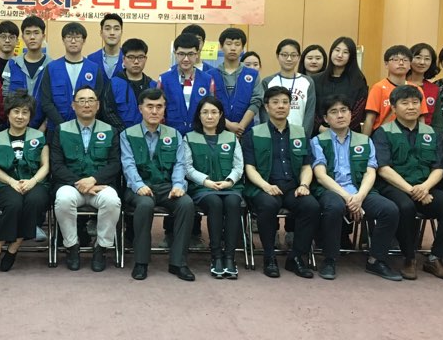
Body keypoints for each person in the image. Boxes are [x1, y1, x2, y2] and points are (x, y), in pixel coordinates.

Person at [372, 85, 443, 281]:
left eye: (415, 103)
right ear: (394, 108)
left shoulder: (431, 133)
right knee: (405, 207)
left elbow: (439, 167)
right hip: (394, 187)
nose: (411, 107)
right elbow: (383, 169)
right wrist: (412, 190)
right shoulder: (383, 132)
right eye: (405, 103)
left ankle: (436, 258)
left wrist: (424, 187)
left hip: (426, 187)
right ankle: (409, 257)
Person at [310, 94, 402, 281]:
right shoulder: (318, 141)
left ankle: (376, 260)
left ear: (351, 114)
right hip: (331, 190)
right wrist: (348, 198)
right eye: (334, 112)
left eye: (344, 110)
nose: (340, 115)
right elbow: (320, 176)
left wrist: (359, 197)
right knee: (334, 207)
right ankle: (329, 259)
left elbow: (370, 172)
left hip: (361, 190)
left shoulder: (365, 140)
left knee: (389, 209)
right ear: (326, 119)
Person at [241, 85, 319, 279]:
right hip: (263, 187)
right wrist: (266, 186)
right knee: (268, 205)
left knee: (311, 206)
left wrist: (304, 185)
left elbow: (306, 165)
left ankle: (296, 257)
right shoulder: (254, 134)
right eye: (275, 102)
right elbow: (249, 168)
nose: (281, 106)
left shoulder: (300, 133)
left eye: (285, 102)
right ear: (267, 107)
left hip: (293, 187)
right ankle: (269, 257)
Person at [120, 88, 196, 282]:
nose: (154, 111)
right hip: (138, 188)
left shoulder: (175, 134)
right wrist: (138, 185)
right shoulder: (127, 134)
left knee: (186, 204)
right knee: (145, 205)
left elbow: (179, 164)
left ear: (164, 109)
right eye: (150, 106)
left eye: (159, 107)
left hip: (166, 187)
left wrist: (178, 185)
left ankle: (178, 262)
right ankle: (141, 262)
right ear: (140, 109)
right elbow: (128, 164)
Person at [49, 85, 122, 272]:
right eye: (81, 101)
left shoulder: (111, 130)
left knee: (112, 201)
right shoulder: (61, 130)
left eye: (91, 100)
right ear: (73, 106)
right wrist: (80, 183)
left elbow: (115, 164)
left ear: (98, 105)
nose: (86, 105)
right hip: (71, 185)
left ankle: (101, 247)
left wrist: (93, 180)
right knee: (63, 199)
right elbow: (56, 165)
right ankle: (72, 246)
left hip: (100, 185)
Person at [0, 90, 50, 274]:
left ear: (30, 116)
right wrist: (11, 181)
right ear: (8, 113)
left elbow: (45, 166)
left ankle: (12, 248)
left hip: (35, 184)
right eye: (16, 111)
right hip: (7, 184)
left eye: (25, 112)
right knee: (13, 204)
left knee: (34, 201)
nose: (20, 116)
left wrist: (33, 181)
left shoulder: (39, 137)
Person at [181, 96, 244, 279]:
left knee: (233, 203)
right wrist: (206, 182)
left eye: (214, 112)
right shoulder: (189, 138)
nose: (210, 116)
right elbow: (187, 168)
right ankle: (216, 256)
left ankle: (229, 257)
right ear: (199, 115)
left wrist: (229, 181)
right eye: (205, 112)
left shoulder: (231, 137)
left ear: (221, 115)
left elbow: (238, 166)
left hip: (230, 187)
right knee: (215, 203)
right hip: (202, 189)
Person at [39, 21, 122, 132]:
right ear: (63, 40)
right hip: (56, 129)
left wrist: (83, 123)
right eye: (69, 37)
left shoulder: (94, 69)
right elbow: (46, 102)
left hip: (87, 129)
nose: (73, 41)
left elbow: (98, 100)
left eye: (77, 37)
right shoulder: (51, 68)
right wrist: (63, 126)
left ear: (84, 40)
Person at [362, 45, 429, 134]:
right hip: (383, 135)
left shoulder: (416, 89)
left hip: (409, 135)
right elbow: (370, 119)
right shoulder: (378, 88)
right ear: (386, 64)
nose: (401, 63)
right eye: (395, 59)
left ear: (410, 65)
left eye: (405, 60)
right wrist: (366, 140)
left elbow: (421, 118)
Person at [158, 32, 216, 135]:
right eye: (181, 54)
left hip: (199, 134)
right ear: (175, 53)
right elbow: (158, 109)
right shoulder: (164, 79)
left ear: (197, 54)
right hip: (170, 135)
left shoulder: (207, 80)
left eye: (190, 54)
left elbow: (212, 109)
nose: (186, 59)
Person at [210, 27, 262, 137]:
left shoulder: (253, 75)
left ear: (242, 48)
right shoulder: (210, 75)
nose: (233, 48)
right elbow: (208, 103)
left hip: (246, 132)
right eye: (228, 44)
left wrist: (241, 127)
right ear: (221, 46)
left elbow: (256, 101)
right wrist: (228, 125)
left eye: (237, 44)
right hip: (216, 131)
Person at [262, 39, 317, 137]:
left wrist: (303, 135)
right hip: (273, 136)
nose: (289, 59)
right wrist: (269, 134)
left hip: (299, 136)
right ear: (277, 56)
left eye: (293, 55)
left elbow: (310, 113)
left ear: (299, 57)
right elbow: (264, 112)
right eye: (284, 55)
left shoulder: (307, 82)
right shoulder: (268, 82)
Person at [314, 36, 368, 133]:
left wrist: (340, 128)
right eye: (337, 50)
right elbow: (311, 109)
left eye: (345, 52)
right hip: (320, 133)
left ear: (351, 56)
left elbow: (359, 111)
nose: (340, 55)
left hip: (349, 134)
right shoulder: (316, 80)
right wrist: (320, 127)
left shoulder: (358, 80)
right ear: (331, 52)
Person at [7, 15, 48, 129]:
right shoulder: (12, 64)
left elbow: (54, 101)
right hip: (15, 126)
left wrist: (43, 127)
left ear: (43, 36)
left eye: (36, 33)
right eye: (28, 33)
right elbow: (5, 96)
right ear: (23, 37)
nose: (32, 37)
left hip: (43, 129)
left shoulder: (52, 66)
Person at [111, 38, 154, 128]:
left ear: (145, 59)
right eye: (131, 57)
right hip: (120, 134)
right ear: (123, 59)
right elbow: (108, 112)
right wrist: (125, 132)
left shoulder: (153, 85)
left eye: (140, 57)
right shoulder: (114, 84)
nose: (136, 62)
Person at [407, 43, 440, 126]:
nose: (422, 62)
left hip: (426, 132)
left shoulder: (434, 89)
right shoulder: (399, 84)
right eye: (418, 57)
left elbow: (437, 123)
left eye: (427, 59)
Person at [87, 13, 124, 79]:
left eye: (116, 29)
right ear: (101, 33)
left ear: (121, 33)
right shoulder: (91, 59)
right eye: (107, 29)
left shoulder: (129, 59)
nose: (112, 33)